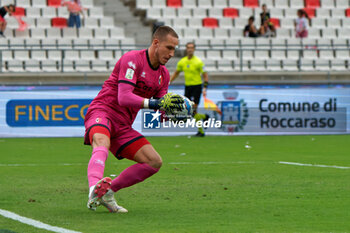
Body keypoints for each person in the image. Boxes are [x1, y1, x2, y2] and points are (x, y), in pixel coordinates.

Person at [85, 26, 183, 213]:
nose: (172, 54)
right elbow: (124, 97)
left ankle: (107, 192)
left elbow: (159, 111)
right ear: (156, 43)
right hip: (103, 111)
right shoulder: (132, 60)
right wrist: (157, 104)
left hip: (123, 125)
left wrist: (173, 114)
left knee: (154, 161)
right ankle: (93, 189)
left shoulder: (164, 75)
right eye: (169, 48)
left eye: (174, 49)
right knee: (101, 141)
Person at [170, 42, 209, 137]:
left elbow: (205, 75)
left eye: (191, 48)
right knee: (189, 110)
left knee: (193, 109)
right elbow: (176, 73)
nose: (190, 49)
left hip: (197, 87)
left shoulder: (198, 62)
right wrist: (169, 82)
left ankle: (201, 131)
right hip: (187, 87)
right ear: (186, 49)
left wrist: (205, 87)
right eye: (188, 48)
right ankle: (205, 117)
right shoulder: (182, 61)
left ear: (194, 49)